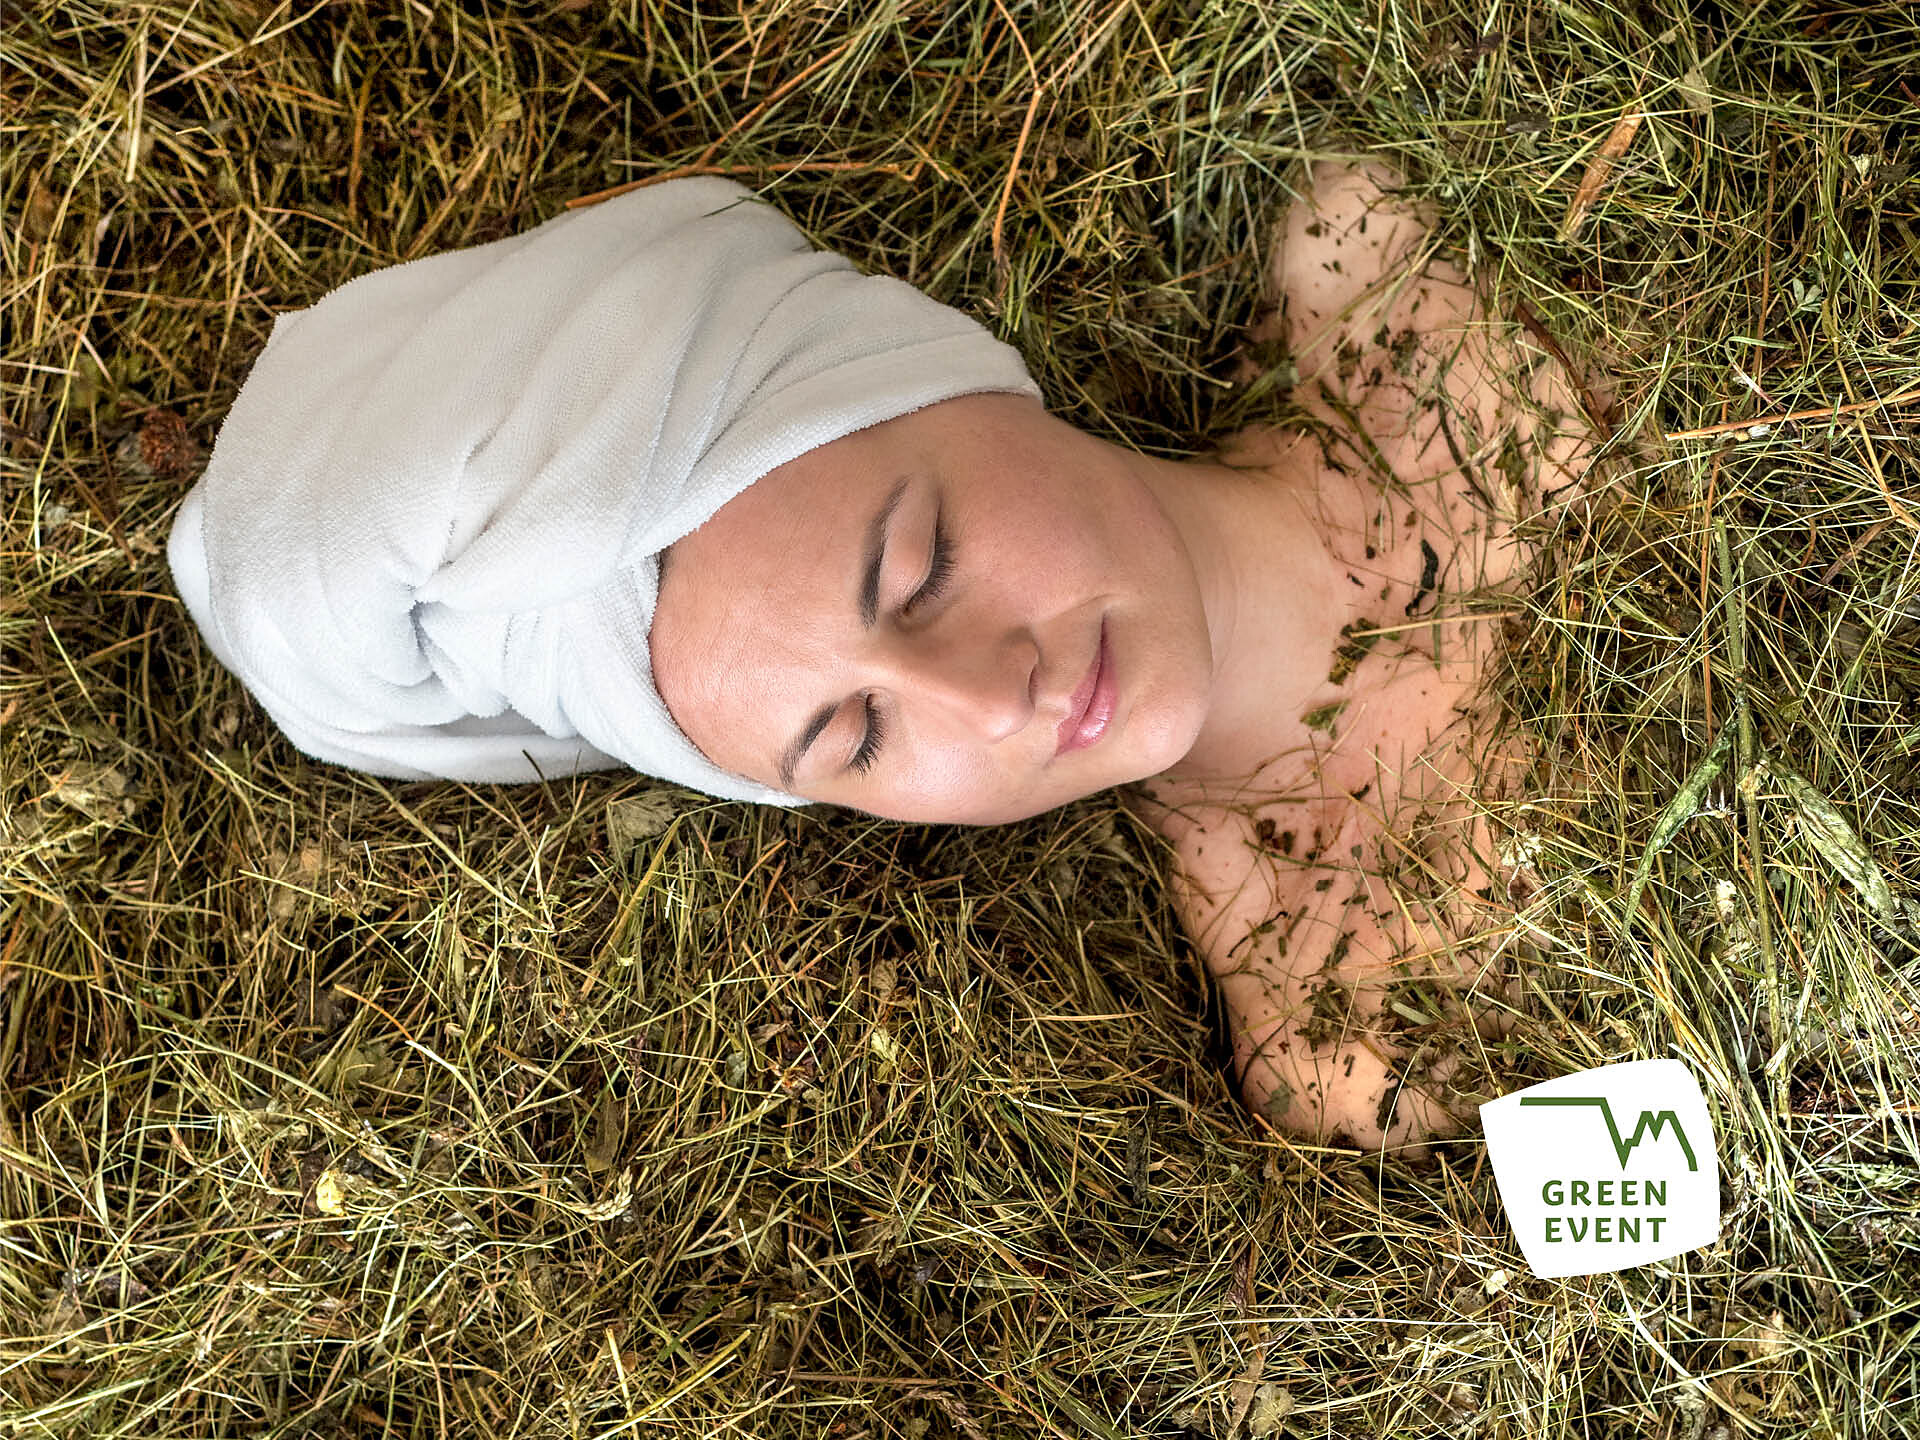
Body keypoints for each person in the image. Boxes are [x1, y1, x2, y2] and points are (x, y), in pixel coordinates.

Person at [170, 162, 1607, 1152]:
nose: (991, 699)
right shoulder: (1349, 1018)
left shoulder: (1391, 255)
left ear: (943, 361)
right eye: (854, 740)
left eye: (918, 567)